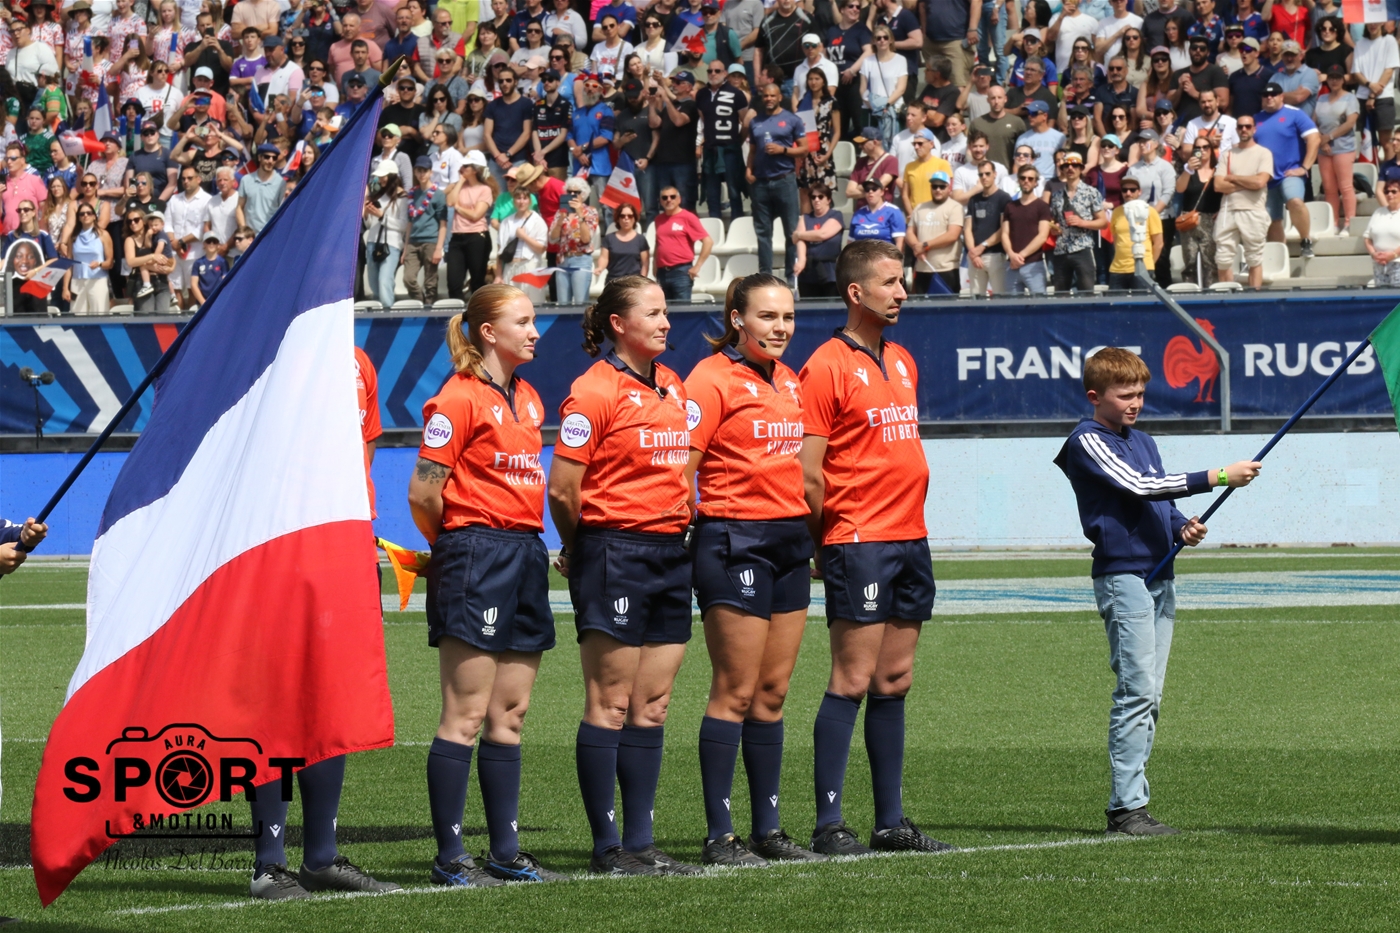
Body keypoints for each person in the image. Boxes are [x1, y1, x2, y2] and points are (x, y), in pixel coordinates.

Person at [1055, 347, 1260, 837]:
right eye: (1125, 395)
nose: (1135, 403)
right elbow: (1138, 486)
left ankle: (1132, 805)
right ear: (1095, 396)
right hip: (1123, 576)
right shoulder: (1086, 441)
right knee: (1136, 691)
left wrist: (1180, 527)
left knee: (1151, 694)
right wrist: (1218, 476)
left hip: (1160, 575)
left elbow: (1159, 502)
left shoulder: (1144, 440)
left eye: (1141, 394)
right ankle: (1126, 808)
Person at [796, 239, 952, 857]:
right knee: (852, 679)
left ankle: (890, 822)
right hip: (858, 538)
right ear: (856, 292)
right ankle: (829, 824)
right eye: (890, 282)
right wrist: (822, 540)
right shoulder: (825, 365)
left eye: (902, 281)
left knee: (895, 679)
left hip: (911, 535)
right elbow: (808, 472)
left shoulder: (903, 360)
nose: (902, 292)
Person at [406, 284, 564, 887]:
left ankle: (505, 852)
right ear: (490, 332)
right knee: (465, 715)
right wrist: (455, 545)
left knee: (510, 715)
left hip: (525, 552)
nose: (535, 332)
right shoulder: (457, 398)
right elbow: (423, 493)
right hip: (477, 551)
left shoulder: (528, 397)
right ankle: (450, 857)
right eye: (523, 322)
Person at [546, 275, 701, 878]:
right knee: (610, 704)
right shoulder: (593, 391)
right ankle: (608, 847)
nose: (666, 322)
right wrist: (581, 548)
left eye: (666, 312)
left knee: (653, 705)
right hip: (615, 551)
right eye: (653, 313)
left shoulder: (672, 383)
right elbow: (564, 490)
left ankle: (641, 843)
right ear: (618, 323)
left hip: (670, 553)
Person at [682, 273, 826, 867]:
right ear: (737, 319)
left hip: (789, 539)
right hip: (732, 539)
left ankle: (768, 830)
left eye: (787, 317)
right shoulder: (709, 378)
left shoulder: (790, 379)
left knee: (772, 693)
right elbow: (680, 470)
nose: (781, 327)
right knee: (735, 690)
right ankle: (721, 836)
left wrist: (815, 538)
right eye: (768, 316)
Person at [746, 82, 805, 282]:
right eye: (766, 96)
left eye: (773, 95)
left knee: (791, 231)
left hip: (784, 180)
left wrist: (783, 150)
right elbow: (753, 150)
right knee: (763, 233)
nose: (769, 99)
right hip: (761, 183)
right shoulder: (755, 121)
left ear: (780, 97)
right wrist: (748, 169)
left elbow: (804, 148)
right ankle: (765, 277)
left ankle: (791, 276)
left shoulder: (792, 120)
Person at [1252, 81, 1319, 257]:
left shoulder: (1295, 114)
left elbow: (1314, 138)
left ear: (1281, 96)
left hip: (1290, 172)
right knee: (1272, 219)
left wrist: (1304, 167)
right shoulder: (1255, 119)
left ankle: (1305, 240)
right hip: (1266, 177)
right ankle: (1279, 256)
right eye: (1265, 95)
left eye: (1273, 94)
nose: (1269, 98)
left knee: (1295, 201)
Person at [1213, 113, 1273, 286]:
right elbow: (1218, 185)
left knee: (1254, 258)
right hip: (1228, 210)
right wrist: (1249, 182)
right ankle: (1226, 296)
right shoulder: (1228, 154)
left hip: (1253, 210)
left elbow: (1260, 182)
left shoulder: (1263, 153)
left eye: (1248, 126)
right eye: (1240, 126)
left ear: (1254, 129)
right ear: (1236, 129)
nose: (1244, 129)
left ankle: (1255, 296)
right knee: (1223, 259)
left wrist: (1233, 178)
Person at [697, 58, 749, 220]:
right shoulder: (701, 94)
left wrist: (738, 141)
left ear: (725, 73)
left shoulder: (736, 94)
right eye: (710, 71)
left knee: (734, 190)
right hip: (710, 149)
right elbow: (704, 119)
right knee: (712, 192)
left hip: (730, 149)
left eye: (717, 71)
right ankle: (714, 225)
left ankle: (737, 224)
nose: (713, 74)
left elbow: (746, 122)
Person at [1049, 151, 1107, 293]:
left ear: (1081, 169)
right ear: (1062, 169)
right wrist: (1054, 228)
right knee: (1060, 294)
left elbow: (1103, 222)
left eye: (1074, 165)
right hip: (1061, 249)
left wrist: (1083, 223)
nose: (1070, 168)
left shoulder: (1091, 192)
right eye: (1067, 166)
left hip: (1083, 248)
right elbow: (1053, 221)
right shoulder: (1056, 195)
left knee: (1087, 292)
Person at [1125, 130, 1177, 283]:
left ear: (1155, 144)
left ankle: (1163, 291)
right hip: (1138, 221)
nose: (1142, 145)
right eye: (1140, 142)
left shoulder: (1165, 167)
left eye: (1145, 141)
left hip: (1162, 218)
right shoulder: (1134, 169)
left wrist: (1151, 215)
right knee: (1140, 255)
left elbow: (1168, 193)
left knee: (1161, 259)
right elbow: (1128, 193)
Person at [1313, 64, 1358, 236]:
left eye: (1337, 77)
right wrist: (1321, 140)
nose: (1334, 81)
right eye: (1331, 77)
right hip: (1324, 149)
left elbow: (1350, 123)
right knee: (1329, 188)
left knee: (1345, 186)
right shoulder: (1321, 98)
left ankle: (1349, 223)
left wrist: (1329, 137)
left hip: (1343, 147)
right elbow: (1314, 122)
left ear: (1343, 80)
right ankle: (1333, 223)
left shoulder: (1350, 98)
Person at [651, 185, 713, 300]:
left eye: (672, 197)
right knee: (664, 308)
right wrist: (654, 264)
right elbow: (659, 243)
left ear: (679, 199)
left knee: (682, 308)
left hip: (681, 272)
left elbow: (708, 241)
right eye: (664, 197)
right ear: (660, 201)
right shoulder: (658, 219)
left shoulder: (688, 217)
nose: (668, 200)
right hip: (662, 272)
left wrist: (697, 266)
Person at [1350, 22, 1396, 171]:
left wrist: (1373, 95)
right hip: (1362, 97)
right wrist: (1369, 85)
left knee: (1386, 142)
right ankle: (1370, 177)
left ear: (1382, 22)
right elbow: (1356, 73)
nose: (1373, 25)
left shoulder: (1389, 40)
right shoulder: (1360, 44)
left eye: (1376, 21)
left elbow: (1389, 71)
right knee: (1366, 142)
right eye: (1370, 22)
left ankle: (1390, 176)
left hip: (1384, 97)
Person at [1176, 142, 1222, 287]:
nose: (1201, 150)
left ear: (1211, 150)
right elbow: (1179, 188)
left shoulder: (1218, 171)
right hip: (1189, 220)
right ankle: (1190, 293)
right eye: (1198, 147)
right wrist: (1188, 169)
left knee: (1210, 263)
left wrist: (1221, 210)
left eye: (1205, 147)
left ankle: (1212, 294)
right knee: (1190, 262)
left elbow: (1225, 193)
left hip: (1210, 219)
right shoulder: (1189, 170)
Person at [166, 165, 212, 310]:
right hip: (174, 252)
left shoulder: (207, 200)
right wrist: (174, 244)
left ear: (198, 179)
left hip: (195, 253)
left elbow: (202, 229)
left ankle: (190, 319)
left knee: (193, 288)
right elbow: (167, 224)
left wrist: (180, 242)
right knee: (175, 289)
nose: (186, 181)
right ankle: (177, 317)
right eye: (183, 179)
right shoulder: (174, 199)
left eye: (190, 178)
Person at [909, 171, 963, 293]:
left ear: (949, 188)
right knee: (921, 305)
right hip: (922, 268)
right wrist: (916, 247)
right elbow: (910, 232)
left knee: (947, 305)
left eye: (942, 186)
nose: (938, 190)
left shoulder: (955, 207)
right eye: (934, 186)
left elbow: (952, 235)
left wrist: (925, 246)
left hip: (946, 269)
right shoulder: (920, 207)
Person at [1001, 163, 1051, 294]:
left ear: (1036, 182)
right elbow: (1004, 233)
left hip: (1034, 265)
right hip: (1011, 265)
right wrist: (1011, 255)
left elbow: (1042, 236)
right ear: (1018, 180)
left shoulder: (1042, 206)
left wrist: (1020, 256)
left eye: (1030, 178)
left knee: (1040, 304)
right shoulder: (1010, 206)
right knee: (1012, 305)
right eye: (1023, 178)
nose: (1026, 181)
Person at [548, 176, 599, 303]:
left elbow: (586, 239)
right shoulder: (561, 212)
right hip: (562, 259)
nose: (572, 195)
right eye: (569, 191)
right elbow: (552, 239)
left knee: (580, 302)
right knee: (563, 303)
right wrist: (560, 220)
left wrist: (580, 215)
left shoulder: (590, 212)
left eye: (576, 192)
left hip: (581, 259)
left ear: (583, 194)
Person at [364, 160, 408, 308]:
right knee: (374, 284)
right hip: (372, 243)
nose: (381, 179)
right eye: (379, 176)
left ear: (392, 176)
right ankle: (378, 316)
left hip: (391, 245)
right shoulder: (376, 195)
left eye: (384, 176)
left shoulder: (403, 197)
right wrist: (367, 214)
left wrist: (382, 216)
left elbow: (404, 225)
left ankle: (388, 315)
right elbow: (369, 224)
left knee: (384, 281)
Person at [404, 156, 448, 304]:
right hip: (413, 241)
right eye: (419, 170)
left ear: (431, 172)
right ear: (415, 172)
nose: (422, 174)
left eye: (425, 170)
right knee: (408, 278)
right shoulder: (412, 193)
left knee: (430, 281)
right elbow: (409, 222)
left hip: (431, 240)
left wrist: (439, 248)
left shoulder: (438, 194)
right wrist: (405, 247)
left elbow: (443, 224)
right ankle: (419, 302)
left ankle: (429, 308)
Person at [1106, 176, 1163, 289]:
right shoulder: (1116, 212)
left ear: (1139, 191)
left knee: (1141, 300)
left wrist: (1149, 264)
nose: (1128, 193)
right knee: (1115, 301)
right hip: (1118, 269)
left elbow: (1158, 243)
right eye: (1124, 190)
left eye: (1132, 190)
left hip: (1143, 267)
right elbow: (1116, 240)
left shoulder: (1149, 211)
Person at [964, 161, 1010, 295]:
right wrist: (973, 252)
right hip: (975, 257)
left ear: (995, 174)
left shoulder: (1004, 198)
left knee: (1000, 298)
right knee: (976, 299)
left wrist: (982, 246)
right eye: (981, 174)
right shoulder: (973, 199)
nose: (984, 177)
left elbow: (1003, 229)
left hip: (996, 255)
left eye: (987, 174)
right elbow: (967, 228)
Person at [792, 182, 845, 297]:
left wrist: (799, 234)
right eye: (813, 197)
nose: (816, 200)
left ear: (828, 200)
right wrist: (801, 259)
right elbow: (800, 241)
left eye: (820, 197)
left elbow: (822, 234)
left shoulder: (836, 215)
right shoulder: (805, 218)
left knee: (831, 304)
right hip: (808, 272)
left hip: (830, 271)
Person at [484, 65, 533, 188]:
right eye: (501, 81)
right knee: (497, 198)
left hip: (518, 160)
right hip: (496, 161)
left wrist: (507, 155)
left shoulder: (526, 104)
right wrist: (498, 156)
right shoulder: (492, 105)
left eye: (508, 80)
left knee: (519, 197)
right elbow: (487, 134)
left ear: (515, 82)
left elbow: (526, 133)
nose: (504, 84)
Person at [496, 187, 548, 302]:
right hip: (510, 266)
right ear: (514, 201)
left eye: (524, 198)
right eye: (518, 198)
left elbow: (541, 248)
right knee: (510, 303)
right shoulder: (506, 222)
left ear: (529, 201)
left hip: (529, 265)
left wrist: (524, 237)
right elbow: (500, 251)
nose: (521, 201)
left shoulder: (537, 221)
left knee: (532, 302)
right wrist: (498, 275)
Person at [62, 201, 113, 315]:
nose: (85, 215)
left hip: (98, 280)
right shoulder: (73, 236)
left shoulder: (103, 234)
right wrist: (65, 288)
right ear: (79, 218)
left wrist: (99, 264)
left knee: (100, 315)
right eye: (82, 214)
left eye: (89, 213)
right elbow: (69, 264)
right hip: (77, 281)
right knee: (77, 316)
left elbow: (110, 262)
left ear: (94, 216)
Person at [859, 25, 906, 148]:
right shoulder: (867, 61)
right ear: (874, 41)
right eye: (878, 38)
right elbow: (863, 89)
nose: (882, 40)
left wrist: (885, 106)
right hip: (872, 110)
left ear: (891, 40)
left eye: (885, 37)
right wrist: (874, 107)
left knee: (894, 146)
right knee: (872, 148)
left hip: (893, 109)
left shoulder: (900, 60)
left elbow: (901, 88)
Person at [123, 208, 174, 311]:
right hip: (142, 282)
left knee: (163, 317)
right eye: (129, 221)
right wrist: (151, 256)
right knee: (147, 316)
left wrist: (171, 268)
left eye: (136, 220)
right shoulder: (130, 240)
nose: (133, 223)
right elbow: (130, 261)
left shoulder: (156, 234)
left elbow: (170, 254)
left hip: (162, 280)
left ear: (144, 221)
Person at [236, 143, 287, 234]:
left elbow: (282, 211)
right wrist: (244, 230)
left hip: (270, 234)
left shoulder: (281, 183)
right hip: (250, 236)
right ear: (259, 158)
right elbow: (239, 207)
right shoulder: (246, 180)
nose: (270, 161)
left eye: (274, 158)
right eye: (267, 157)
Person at [596, 202, 648, 282]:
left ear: (634, 218)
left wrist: (642, 282)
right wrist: (600, 268)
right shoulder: (609, 238)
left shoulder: (641, 239)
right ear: (618, 218)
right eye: (622, 216)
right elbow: (604, 258)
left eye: (630, 216)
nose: (626, 219)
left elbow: (645, 264)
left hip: (633, 283)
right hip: (613, 282)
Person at [849, 178, 905, 250]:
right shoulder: (858, 213)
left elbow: (900, 242)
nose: (870, 191)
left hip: (884, 255)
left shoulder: (893, 211)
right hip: (860, 255)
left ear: (882, 192)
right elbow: (850, 242)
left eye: (874, 189)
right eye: (867, 189)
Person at [1365, 177, 1400, 287]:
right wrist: (1374, 254)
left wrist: (1393, 255)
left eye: (1394, 191)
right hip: (1379, 265)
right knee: (1382, 296)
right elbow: (1367, 238)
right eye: (1387, 192)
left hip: (1398, 264)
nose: (1390, 194)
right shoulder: (1378, 212)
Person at [1015, 100, 1064, 178]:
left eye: (1033, 113)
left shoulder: (1059, 137)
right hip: (1029, 180)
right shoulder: (1022, 138)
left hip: (1051, 180)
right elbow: (1016, 164)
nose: (1030, 116)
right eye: (1029, 113)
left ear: (1045, 116)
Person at [189, 231, 230, 306]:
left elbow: (225, 282)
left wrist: (221, 299)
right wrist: (203, 302)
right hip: (202, 302)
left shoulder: (223, 262)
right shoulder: (198, 263)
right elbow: (193, 284)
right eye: (208, 241)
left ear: (218, 245)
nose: (211, 244)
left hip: (218, 300)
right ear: (204, 244)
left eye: (214, 242)